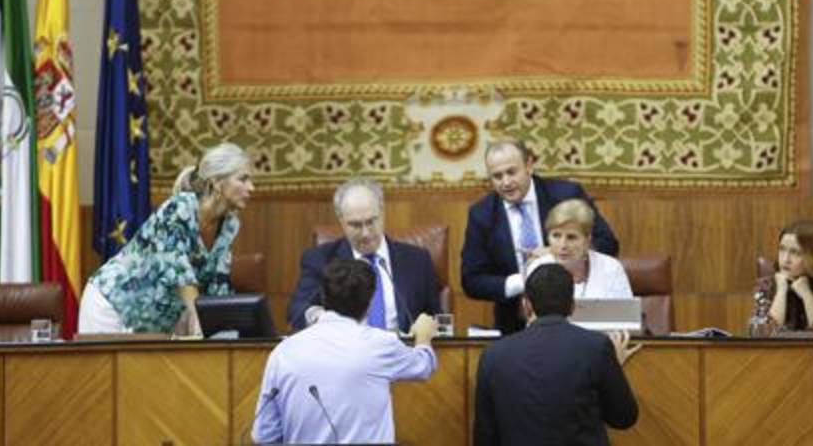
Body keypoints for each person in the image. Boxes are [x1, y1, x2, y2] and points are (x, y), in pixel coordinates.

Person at [253, 258, 438, 444]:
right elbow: (423, 366)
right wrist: (423, 337)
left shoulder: (283, 352)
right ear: (370, 302)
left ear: (323, 296)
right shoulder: (380, 344)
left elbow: (263, 434)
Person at [77, 142, 254, 335]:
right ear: (217, 182)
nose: (251, 188)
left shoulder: (229, 225)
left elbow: (218, 287)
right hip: (112, 306)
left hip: (149, 323)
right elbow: (179, 275)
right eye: (243, 179)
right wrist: (200, 324)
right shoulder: (178, 209)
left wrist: (228, 335)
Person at [461, 138, 620, 333]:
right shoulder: (482, 214)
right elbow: (472, 280)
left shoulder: (566, 195)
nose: (506, 182)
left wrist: (557, 254)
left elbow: (607, 243)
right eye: (497, 176)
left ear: (529, 165)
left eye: (511, 172)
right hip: (515, 326)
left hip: (577, 317)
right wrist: (524, 280)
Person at [473, 263, 640, 446]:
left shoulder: (493, 356)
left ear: (526, 306)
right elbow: (624, 418)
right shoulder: (596, 348)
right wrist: (612, 366)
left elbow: (484, 436)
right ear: (572, 306)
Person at [287, 178, 441, 333]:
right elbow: (297, 311)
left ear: (382, 212)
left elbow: (436, 318)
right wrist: (317, 316)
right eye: (355, 225)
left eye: (371, 222)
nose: (365, 233)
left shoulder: (417, 261)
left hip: (402, 346)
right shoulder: (321, 260)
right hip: (345, 347)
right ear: (341, 220)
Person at [750, 219, 813, 333]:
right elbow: (761, 336)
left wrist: (807, 295)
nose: (785, 259)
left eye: (795, 252)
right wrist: (781, 291)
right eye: (782, 249)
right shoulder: (767, 285)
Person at [526, 199, 632, 299]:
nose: (563, 245)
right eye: (556, 236)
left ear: (587, 240)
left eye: (571, 237)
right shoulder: (538, 269)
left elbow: (626, 311)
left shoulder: (611, 269)